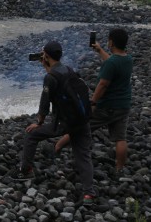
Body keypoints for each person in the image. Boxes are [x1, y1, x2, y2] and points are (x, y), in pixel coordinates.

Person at [10, 41, 96, 205]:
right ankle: (89, 193)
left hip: (65, 123)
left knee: (31, 134)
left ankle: (26, 170)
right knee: (83, 155)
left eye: (43, 55)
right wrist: (46, 67)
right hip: (82, 119)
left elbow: (44, 104)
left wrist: (39, 122)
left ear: (47, 56)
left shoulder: (50, 78)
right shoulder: (69, 70)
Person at [54, 28, 133, 174]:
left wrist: (93, 103)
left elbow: (103, 85)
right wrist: (99, 50)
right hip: (123, 105)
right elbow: (113, 62)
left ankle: (57, 147)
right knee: (120, 138)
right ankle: (120, 169)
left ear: (111, 42)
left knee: (81, 126)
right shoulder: (127, 59)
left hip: (106, 106)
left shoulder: (111, 64)